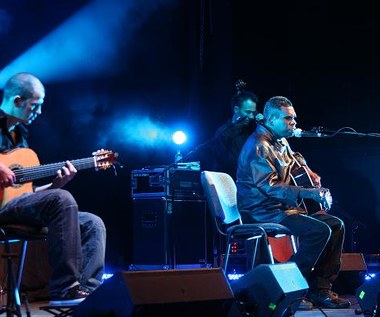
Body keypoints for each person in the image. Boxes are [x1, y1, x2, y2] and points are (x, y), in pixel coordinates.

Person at [0, 72, 106, 306]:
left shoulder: (20, 137)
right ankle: (65, 287)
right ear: (17, 101)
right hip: (2, 210)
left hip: (14, 207)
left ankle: (87, 291)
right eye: (35, 106)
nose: (38, 112)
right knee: (61, 199)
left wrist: (56, 185)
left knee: (92, 223)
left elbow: (25, 194)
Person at [236, 96, 350, 309]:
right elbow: (269, 187)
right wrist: (307, 193)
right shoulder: (258, 146)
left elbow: (294, 160)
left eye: (294, 118)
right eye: (288, 118)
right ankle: (288, 288)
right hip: (264, 210)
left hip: (285, 207)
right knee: (319, 231)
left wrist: (309, 172)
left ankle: (320, 289)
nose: (294, 123)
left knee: (336, 225)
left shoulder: (281, 141)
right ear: (271, 119)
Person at [211, 86, 261, 179]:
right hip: (228, 180)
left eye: (253, 113)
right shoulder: (223, 132)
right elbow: (223, 162)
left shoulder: (253, 130)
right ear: (236, 110)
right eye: (248, 112)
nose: (251, 117)